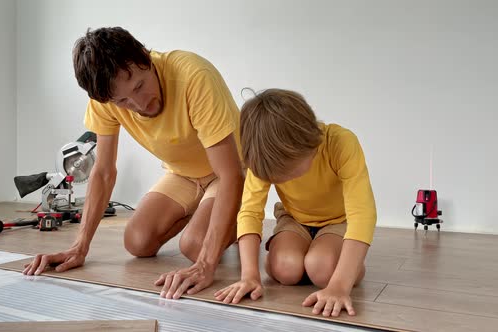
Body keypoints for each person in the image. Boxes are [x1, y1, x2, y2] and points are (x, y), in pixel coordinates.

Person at [23, 27, 244, 300]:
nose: (140, 104)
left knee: (195, 246)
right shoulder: (104, 99)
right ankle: (209, 218)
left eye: (139, 86)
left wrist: (206, 265)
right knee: (137, 242)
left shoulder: (193, 75)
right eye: (123, 101)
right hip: (184, 175)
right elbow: (103, 172)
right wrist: (79, 247)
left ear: (146, 58)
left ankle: (235, 225)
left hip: (230, 171)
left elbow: (231, 173)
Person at [214, 88, 377, 317]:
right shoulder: (264, 154)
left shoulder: (341, 142)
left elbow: (362, 214)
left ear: (305, 144)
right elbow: (250, 211)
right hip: (295, 219)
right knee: (286, 269)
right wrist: (249, 276)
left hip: (338, 221)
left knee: (322, 269)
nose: (282, 181)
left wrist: (339, 286)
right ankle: (311, 254)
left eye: (286, 173)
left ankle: (341, 263)